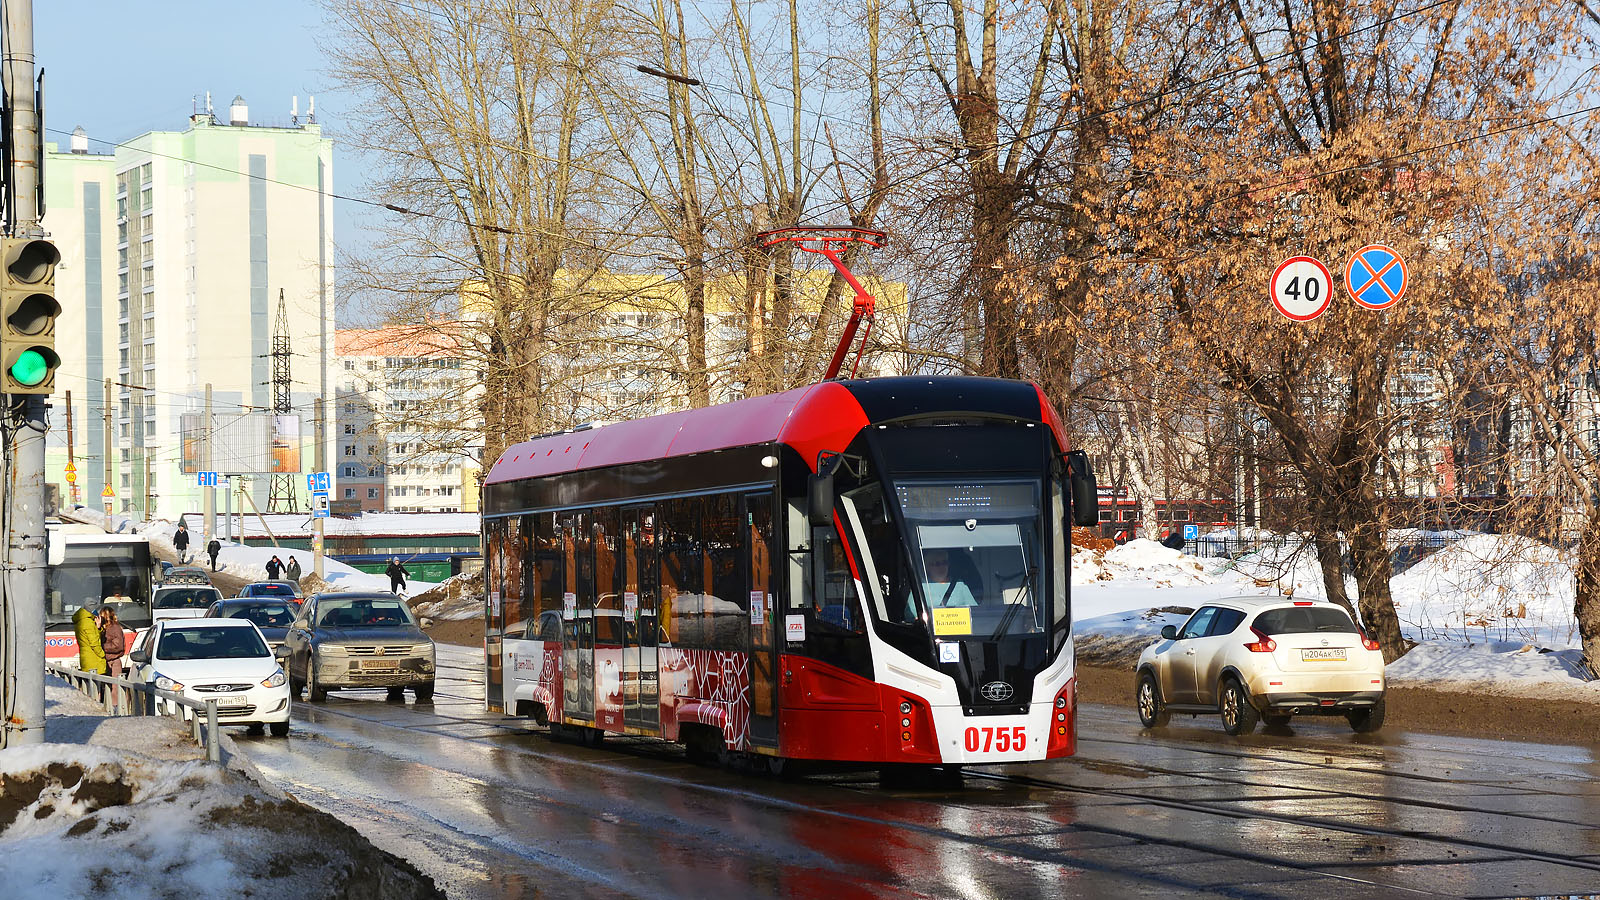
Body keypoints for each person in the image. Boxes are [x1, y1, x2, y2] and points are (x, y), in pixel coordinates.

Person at [905, 548, 978, 619]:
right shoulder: (920, 588)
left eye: (944, 562)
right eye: (937, 564)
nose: (942, 567)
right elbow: (911, 617)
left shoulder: (960, 585)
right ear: (926, 567)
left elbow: (974, 613)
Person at [98, 607, 128, 707]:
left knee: (115, 688)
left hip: (113, 661)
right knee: (105, 687)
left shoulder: (115, 628)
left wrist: (102, 647)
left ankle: (115, 708)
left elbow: (118, 646)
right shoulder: (103, 628)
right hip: (104, 660)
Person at [73, 606, 107, 676]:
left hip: (85, 657)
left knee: (88, 683)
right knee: (95, 684)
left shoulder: (80, 620)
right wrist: (102, 654)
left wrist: (98, 627)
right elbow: (94, 642)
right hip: (93, 658)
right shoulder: (89, 623)